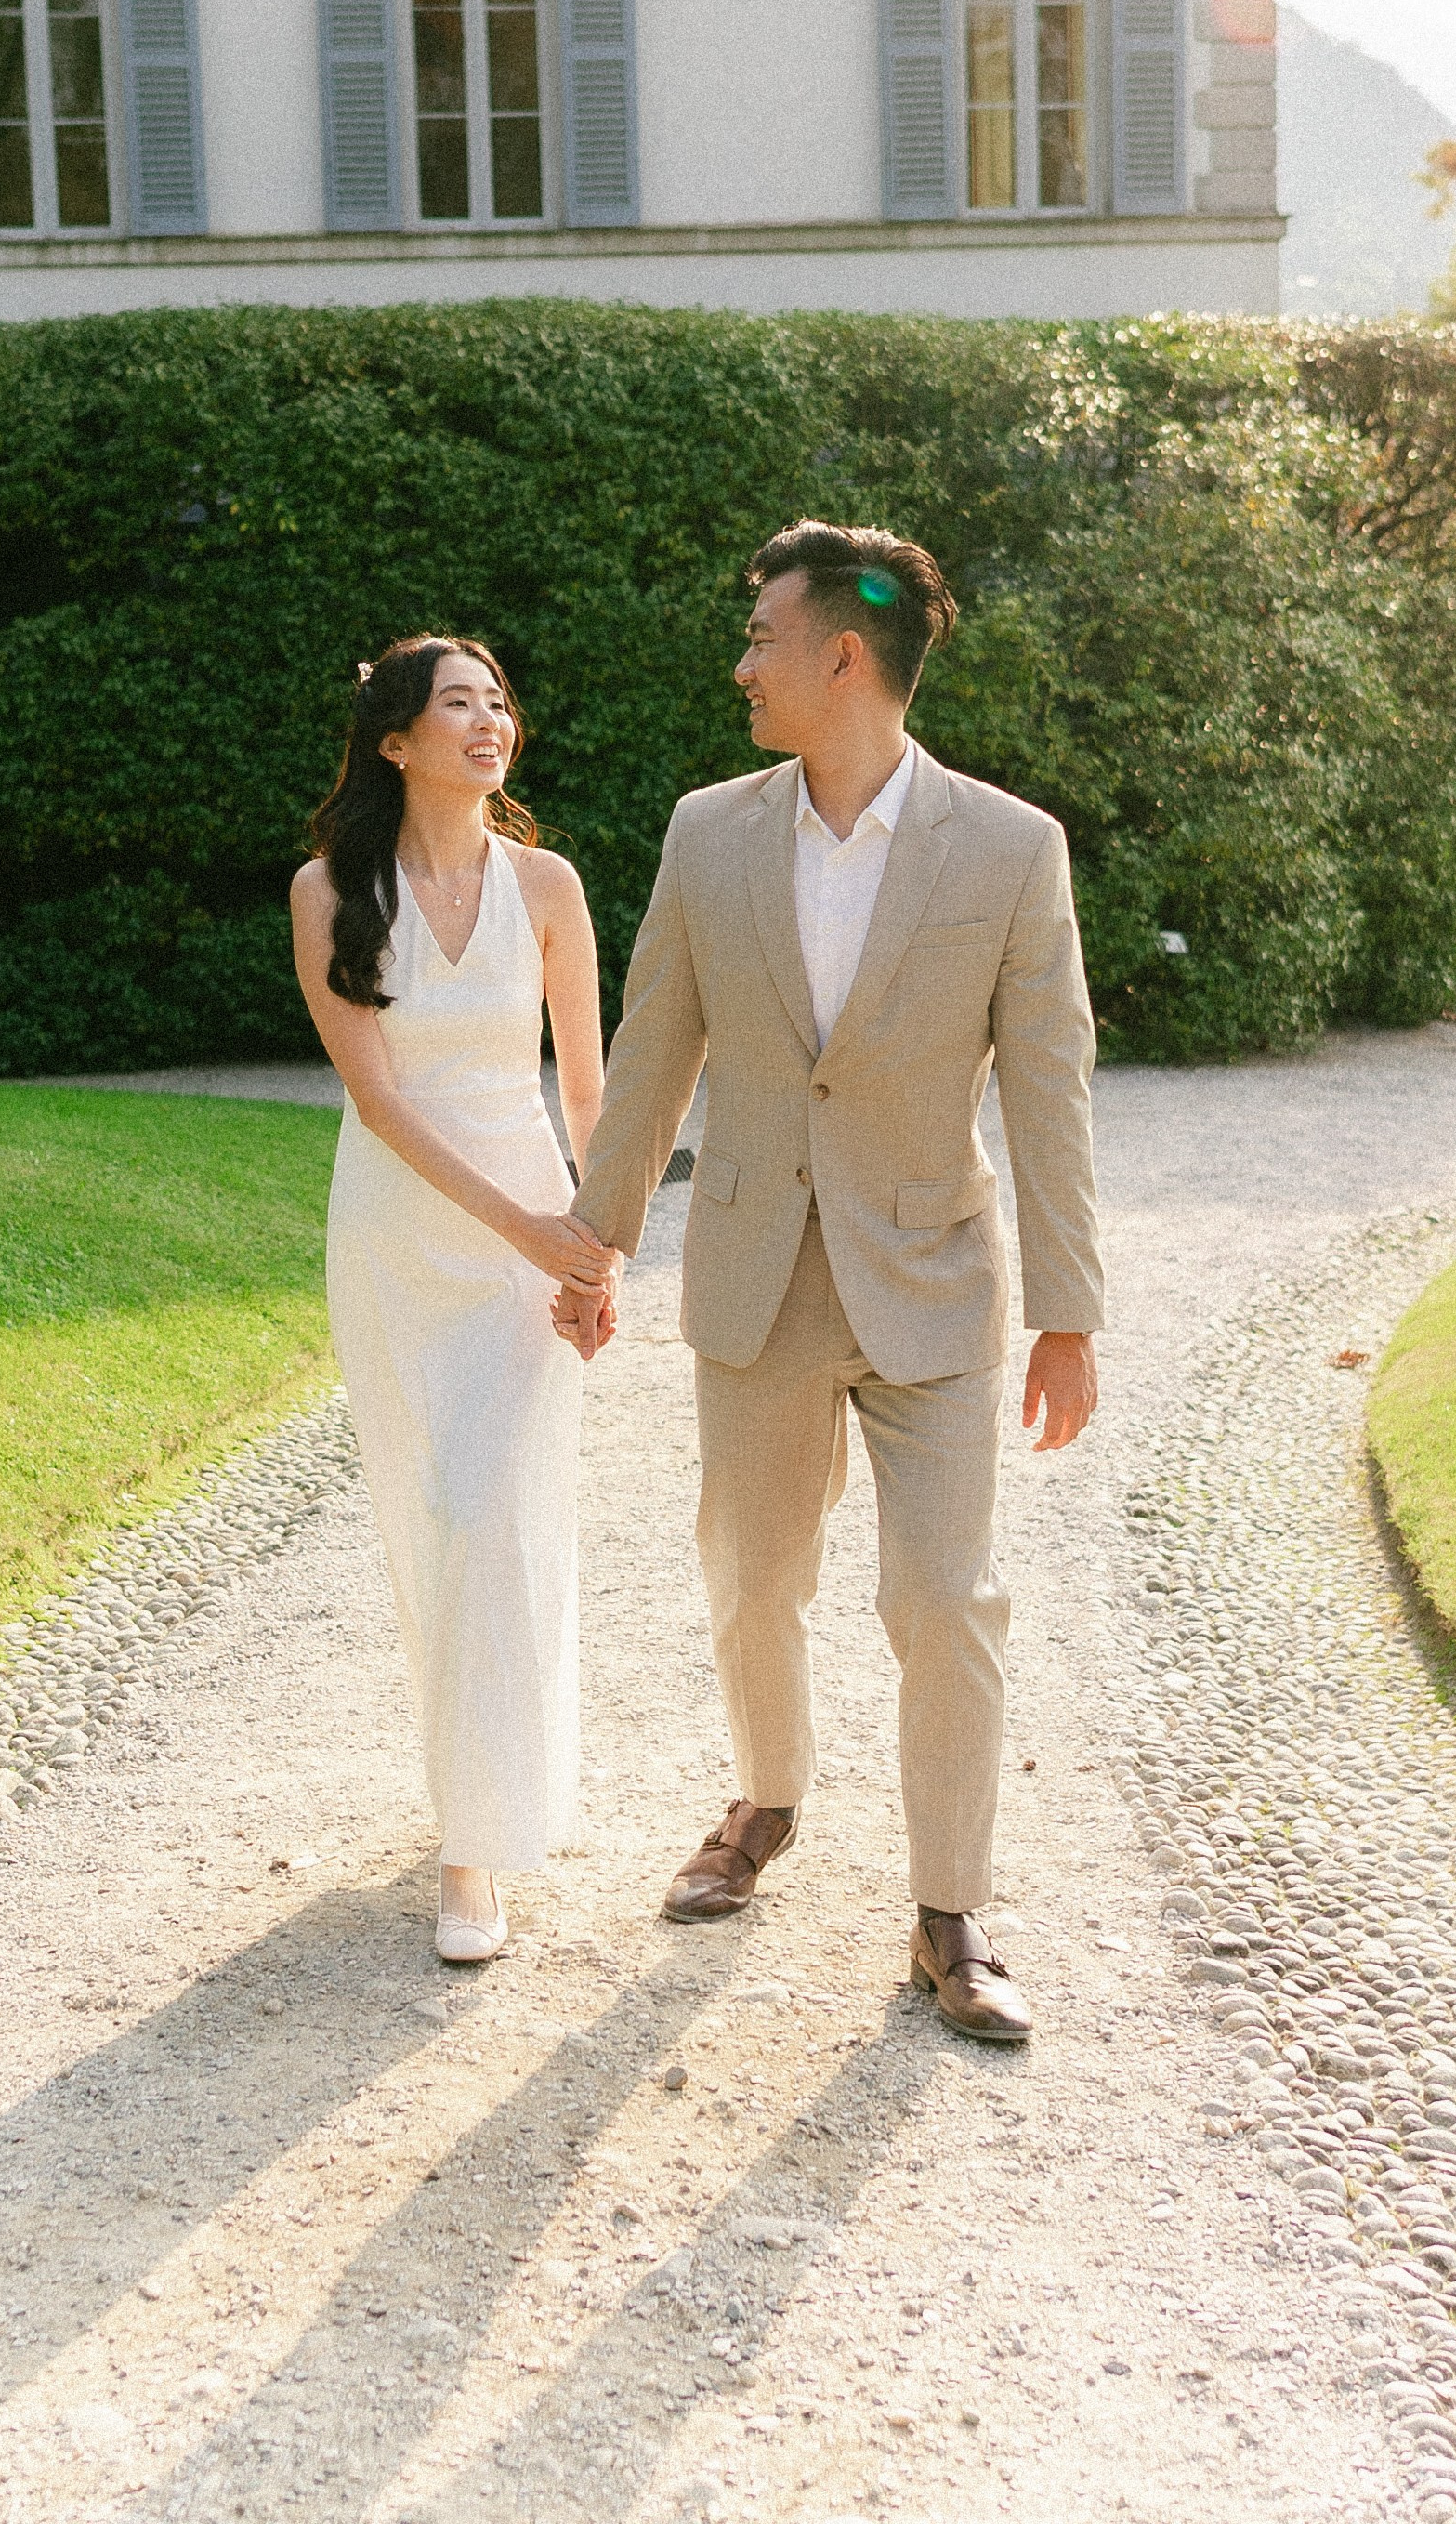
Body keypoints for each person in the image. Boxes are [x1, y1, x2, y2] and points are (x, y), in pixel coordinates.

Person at [554, 522, 1103, 2042]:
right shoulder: (705, 832)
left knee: (947, 1596)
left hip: (933, 1279)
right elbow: (657, 1044)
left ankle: (951, 1914)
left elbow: (1050, 1087)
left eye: (763, 639)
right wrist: (596, 1238)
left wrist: (1070, 1311)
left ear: (843, 655)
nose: (742, 665)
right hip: (753, 1275)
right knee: (753, 1579)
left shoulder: (1009, 847)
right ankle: (766, 1802)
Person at [292, 638, 611, 1966]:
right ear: (396, 742)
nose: (489, 723)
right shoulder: (330, 889)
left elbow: (589, 1092)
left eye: (498, 702)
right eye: (458, 704)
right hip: (399, 1237)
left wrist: (594, 1246)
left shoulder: (548, 882)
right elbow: (380, 1099)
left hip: (532, 1235)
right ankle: (479, 1788)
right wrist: (533, 1231)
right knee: (432, 1511)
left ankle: (478, 1851)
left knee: (495, 1510)